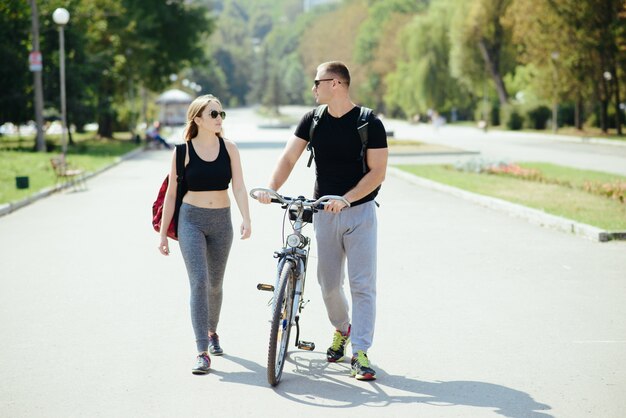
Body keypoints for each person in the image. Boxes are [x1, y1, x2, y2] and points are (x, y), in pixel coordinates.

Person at [255, 61, 388, 381]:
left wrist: (347, 198)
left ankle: (360, 352)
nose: (313, 88)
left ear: (337, 84)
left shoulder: (368, 122)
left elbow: (378, 172)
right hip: (323, 214)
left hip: (359, 214)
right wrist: (272, 189)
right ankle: (342, 329)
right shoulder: (312, 120)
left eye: (318, 82)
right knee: (328, 285)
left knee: (361, 285)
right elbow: (289, 158)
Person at [158, 94, 252, 375]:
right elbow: (172, 195)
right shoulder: (182, 152)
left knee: (215, 284)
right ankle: (201, 351)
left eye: (221, 113)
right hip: (191, 220)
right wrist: (163, 235)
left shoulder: (230, 148)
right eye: (213, 114)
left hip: (222, 221)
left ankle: (212, 332)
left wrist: (247, 218)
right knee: (199, 281)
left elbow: (238, 187)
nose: (219, 119)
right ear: (197, 118)